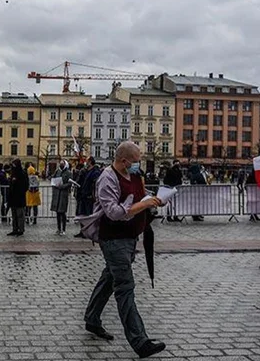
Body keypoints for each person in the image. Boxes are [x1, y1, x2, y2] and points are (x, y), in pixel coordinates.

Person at [82, 142, 165, 359]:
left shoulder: (134, 175)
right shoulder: (107, 178)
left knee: (110, 277)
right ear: (124, 161)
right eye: (136, 161)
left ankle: (92, 319)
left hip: (130, 237)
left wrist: (155, 199)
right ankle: (140, 341)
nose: (139, 165)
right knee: (125, 286)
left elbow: (141, 195)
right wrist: (143, 205)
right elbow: (113, 212)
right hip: (113, 239)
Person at [7, 159, 29, 237]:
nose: (13, 166)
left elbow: (26, 186)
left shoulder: (23, 173)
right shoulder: (13, 173)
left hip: (20, 198)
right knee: (14, 215)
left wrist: (19, 189)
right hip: (13, 197)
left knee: (20, 215)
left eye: (14, 164)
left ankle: (21, 229)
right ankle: (14, 229)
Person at [51, 160, 72, 235]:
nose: (61, 165)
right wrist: (53, 182)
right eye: (60, 164)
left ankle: (63, 229)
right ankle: (58, 228)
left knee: (62, 212)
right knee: (57, 213)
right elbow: (53, 178)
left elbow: (70, 183)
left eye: (62, 164)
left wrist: (63, 186)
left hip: (63, 194)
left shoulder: (68, 172)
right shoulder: (57, 171)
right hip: (57, 194)